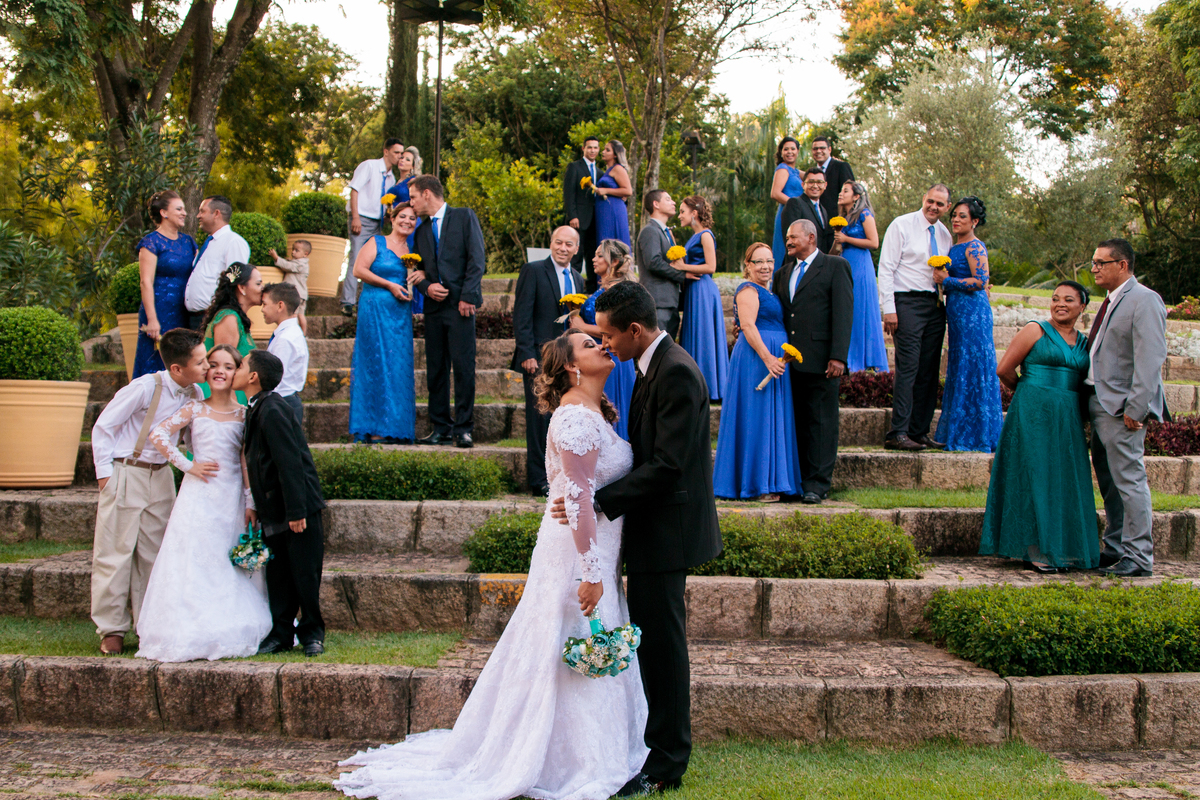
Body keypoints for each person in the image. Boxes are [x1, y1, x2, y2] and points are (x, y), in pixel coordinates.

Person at [335, 330, 649, 800]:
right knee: (569, 642)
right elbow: (579, 495)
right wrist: (591, 572)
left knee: (575, 643)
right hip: (577, 557)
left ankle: (587, 749)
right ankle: (568, 760)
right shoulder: (576, 420)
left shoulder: (593, 413)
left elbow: (579, 493)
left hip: (588, 549)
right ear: (570, 367)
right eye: (588, 343)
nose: (602, 344)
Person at [555, 280, 722, 795]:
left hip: (669, 532)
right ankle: (655, 745)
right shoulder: (652, 365)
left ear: (634, 329)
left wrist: (598, 503)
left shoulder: (675, 372)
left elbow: (669, 466)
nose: (605, 344)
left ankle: (668, 762)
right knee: (653, 644)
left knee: (664, 649)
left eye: (608, 335)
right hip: (652, 529)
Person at [136, 344, 272, 661]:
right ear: (207, 372)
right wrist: (187, 465)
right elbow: (158, 434)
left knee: (228, 558)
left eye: (228, 365)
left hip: (232, 495)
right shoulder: (195, 408)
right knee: (193, 558)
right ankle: (186, 624)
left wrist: (250, 500)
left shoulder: (243, 414)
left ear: (238, 372)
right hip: (198, 495)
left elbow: (244, 460)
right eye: (213, 365)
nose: (220, 371)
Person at [89, 328, 208, 655]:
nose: (207, 366)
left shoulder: (196, 394)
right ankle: (111, 628)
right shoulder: (145, 388)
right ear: (177, 369)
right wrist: (105, 476)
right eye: (200, 362)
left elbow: (188, 438)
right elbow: (104, 427)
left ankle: (149, 624)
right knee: (114, 552)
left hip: (162, 477)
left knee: (155, 553)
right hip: (128, 470)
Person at [980, 281, 1098, 574]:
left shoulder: (1085, 342)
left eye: (1068, 300)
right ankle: (1033, 549)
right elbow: (1004, 369)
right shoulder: (1036, 330)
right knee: (1032, 474)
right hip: (1032, 412)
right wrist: (1029, 392)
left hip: (1068, 416)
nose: (1060, 304)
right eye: (1055, 298)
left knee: (1062, 477)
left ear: (1082, 306)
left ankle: (1061, 546)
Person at [1086, 238, 1168, 578]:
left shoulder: (1144, 300)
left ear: (1122, 265)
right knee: (1109, 482)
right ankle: (1117, 547)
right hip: (1098, 403)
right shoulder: (1110, 301)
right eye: (1093, 262)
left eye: (1101, 262)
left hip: (1122, 410)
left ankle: (1139, 557)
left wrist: (1137, 407)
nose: (1094, 268)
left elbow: (1150, 358)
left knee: (1130, 481)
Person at [237, 350, 328, 656]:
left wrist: (297, 510)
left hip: (297, 509)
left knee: (305, 574)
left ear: (253, 377)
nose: (235, 369)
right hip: (274, 510)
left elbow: (290, 462)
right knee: (278, 576)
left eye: (240, 366)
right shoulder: (256, 407)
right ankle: (281, 634)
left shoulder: (272, 409)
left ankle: (312, 633)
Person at [773, 219, 853, 504]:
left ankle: (817, 485)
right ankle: (796, 480)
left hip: (822, 360)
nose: (788, 241)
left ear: (811, 237)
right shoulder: (783, 273)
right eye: (786, 237)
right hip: (789, 361)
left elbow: (843, 314)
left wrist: (838, 356)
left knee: (821, 422)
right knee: (796, 422)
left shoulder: (835, 266)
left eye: (793, 237)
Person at [713, 243, 802, 499]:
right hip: (757, 358)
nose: (766, 266)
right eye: (759, 261)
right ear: (748, 266)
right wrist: (768, 358)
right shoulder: (748, 289)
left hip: (773, 357)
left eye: (769, 261)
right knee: (757, 417)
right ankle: (757, 485)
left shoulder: (769, 291)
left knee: (771, 417)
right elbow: (749, 326)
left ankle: (772, 481)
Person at [409, 175, 486, 448]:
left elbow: (477, 259)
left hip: (461, 307)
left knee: (464, 368)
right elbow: (418, 271)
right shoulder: (420, 232)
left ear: (427, 193)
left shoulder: (464, 217)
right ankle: (441, 427)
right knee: (436, 371)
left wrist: (468, 297)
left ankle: (463, 428)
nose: (412, 203)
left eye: (414, 197)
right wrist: (427, 288)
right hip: (433, 308)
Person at [879, 185, 953, 451]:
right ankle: (897, 432)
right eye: (930, 201)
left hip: (935, 305)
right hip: (906, 301)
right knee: (908, 367)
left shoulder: (944, 235)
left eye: (940, 204)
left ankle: (919, 431)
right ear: (923, 199)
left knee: (929, 370)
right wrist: (889, 308)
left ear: (947, 206)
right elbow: (886, 268)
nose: (934, 207)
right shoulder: (902, 225)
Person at [512, 226, 584, 495]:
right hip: (538, 358)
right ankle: (538, 479)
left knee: (562, 419)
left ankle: (560, 475)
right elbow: (522, 315)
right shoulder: (532, 271)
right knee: (538, 419)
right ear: (550, 244)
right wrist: (527, 353)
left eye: (568, 244)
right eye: (558, 242)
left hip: (567, 359)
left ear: (576, 248)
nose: (562, 248)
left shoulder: (577, 278)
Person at [933, 196, 1003, 452]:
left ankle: (978, 434)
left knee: (974, 367)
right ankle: (960, 429)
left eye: (963, 216)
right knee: (960, 366)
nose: (956, 220)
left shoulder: (975, 247)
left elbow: (980, 281)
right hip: (958, 315)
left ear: (974, 221)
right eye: (954, 216)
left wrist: (946, 280)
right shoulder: (954, 247)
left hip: (974, 314)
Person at [348, 203, 419, 445]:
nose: (407, 221)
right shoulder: (376, 242)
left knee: (398, 366)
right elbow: (359, 269)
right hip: (374, 309)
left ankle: (395, 427)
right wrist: (388, 285)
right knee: (375, 363)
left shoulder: (413, 249)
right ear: (392, 218)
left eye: (412, 218)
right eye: (403, 216)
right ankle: (373, 426)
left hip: (400, 314)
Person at [571, 238, 638, 440]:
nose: (594, 259)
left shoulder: (619, 290)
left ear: (614, 262)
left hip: (613, 357)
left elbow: (621, 328)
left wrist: (583, 327)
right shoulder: (604, 287)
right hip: (596, 355)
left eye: (600, 255)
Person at [132, 190, 197, 378]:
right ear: (164, 213)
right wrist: (152, 319)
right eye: (179, 208)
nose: (184, 213)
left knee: (181, 359)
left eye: (184, 209)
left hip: (184, 311)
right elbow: (145, 282)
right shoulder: (151, 243)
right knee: (155, 361)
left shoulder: (188, 242)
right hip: (159, 309)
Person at [342, 138, 404, 315]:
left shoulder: (392, 178)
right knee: (356, 257)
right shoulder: (369, 166)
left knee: (372, 262)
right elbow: (354, 190)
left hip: (377, 222)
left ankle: (364, 300)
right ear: (386, 151)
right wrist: (355, 217)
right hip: (361, 218)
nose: (399, 156)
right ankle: (347, 301)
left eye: (401, 153)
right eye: (396, 152)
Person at [677, 195, 729, 401]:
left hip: (703, 289)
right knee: (696, 332)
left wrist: (682, 267)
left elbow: (711, 267)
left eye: (682, 211)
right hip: (693, 290)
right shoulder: (693, 236)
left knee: (704, 334)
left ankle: (709, 387)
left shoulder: (705, 235)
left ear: (694, 213)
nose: (679, 215)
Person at [834, 181, 889, 373]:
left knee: (859, 308)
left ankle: (863, 360)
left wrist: (846, 239)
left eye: (845, 191)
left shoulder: (864, 215)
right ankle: (848, 356)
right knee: (847, 309)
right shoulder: (843, 217)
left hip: (860, 265)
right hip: (845, 263)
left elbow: (874, 242)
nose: (841, 193)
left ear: (856, 196)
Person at [184, 196, 250, 329]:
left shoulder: (233, 242)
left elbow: (234, 280)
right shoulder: (210, 243)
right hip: (194, 318)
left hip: (213, 318)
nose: (198, 216)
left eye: (202, 211)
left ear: (216, 214)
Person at [201, 263, 262, 405]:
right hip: (225, 396)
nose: (262, 289)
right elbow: (223, 365)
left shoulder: (237, 318)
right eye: (258, 284)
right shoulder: (229, 318)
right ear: (242, 288)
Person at [636, 189, 687, 340]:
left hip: (670, 302)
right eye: (668, 199)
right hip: (658, 302)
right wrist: (683, 274)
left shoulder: (665, 232)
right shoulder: (650, 231)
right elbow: (653, 262)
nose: (673, 203)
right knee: (656, 348)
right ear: (656, 204)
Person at [262, 283, 309, 424]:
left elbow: (274, 378)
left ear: (280, 306)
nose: (262, 310)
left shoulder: (285, 339)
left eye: (264, 304)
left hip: (281, 403)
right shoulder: (290, 333)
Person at [563, 135, 601, 290]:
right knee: (576, 254)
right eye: (589, 147)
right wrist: (572, 215)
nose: (592, 150)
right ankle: (573, 285)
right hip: (578, 218)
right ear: (583, 149)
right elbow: (568, 193)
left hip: (595, 220)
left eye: (595, 147)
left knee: (593, 253)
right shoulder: (574, 167)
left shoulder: (600, 171)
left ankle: (592, 287)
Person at [781, 167, 834, 254]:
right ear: (803, 185)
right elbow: (791, 240)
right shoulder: (794, 203)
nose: (815, 186)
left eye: (819, 182)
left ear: (825, 185)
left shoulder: (823, 210)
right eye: (811, 182)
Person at [770, 136, 804, 269]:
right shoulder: (783, 169)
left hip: (797, 214)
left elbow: (813, 176)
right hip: (787, 214)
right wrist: (796, 205)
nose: (789, 152)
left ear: (797, 151)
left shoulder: (795, 171)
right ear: (781, 152)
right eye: (786, 149)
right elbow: (775, 193)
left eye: (792, 149)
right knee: (785, 250)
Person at [593, 139, 633, 246]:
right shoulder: (608, 170)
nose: (603, 152)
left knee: (612, 241)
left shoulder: (618, 169)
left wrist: (605, 190)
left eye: (607, 150)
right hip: (604, 211)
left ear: (615, 154)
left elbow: (628, 190)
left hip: (613, 210)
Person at [267, 239, 310, 336]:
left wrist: (276, 258)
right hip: (302, 294)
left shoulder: (301, 264)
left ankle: (297, 334)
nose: (293, 252)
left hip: (297, 294)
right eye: (293, 249)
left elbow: (288, 266)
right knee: (300, 314)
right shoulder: (300, 263)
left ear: (305, 254)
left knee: (293, 314)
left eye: (297, 250)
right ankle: (303, 335)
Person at [810, 136, 856, 221]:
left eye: (822, 148)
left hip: (837, 222)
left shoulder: (841, 167)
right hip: (816, 223)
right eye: (815, 149)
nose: (818, 151)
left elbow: (850, 195)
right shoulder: (812, 173)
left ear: (829, 150)